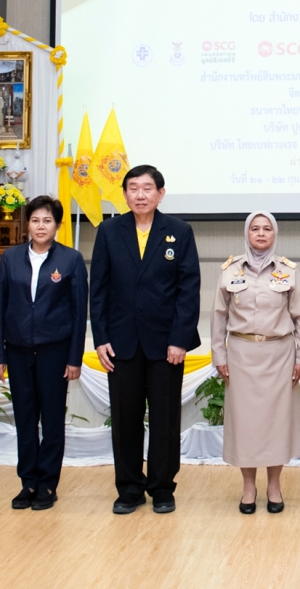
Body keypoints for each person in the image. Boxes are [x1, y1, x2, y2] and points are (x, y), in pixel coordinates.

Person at [89, 165, 202, 515]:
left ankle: (162, 487)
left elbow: (188, 290)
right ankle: (129, 488)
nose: (140, 195)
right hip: (120, 343)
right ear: (124, 194)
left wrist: (180, 339)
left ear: (160, 194)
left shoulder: (179, 232)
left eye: (147, 188)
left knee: (166, 417)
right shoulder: (109, 231)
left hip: (166, 343)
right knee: (125, 417)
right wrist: (101, 337)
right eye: (133, 188)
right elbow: (99, 289)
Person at [0, 195, 87, 511]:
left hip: (55, 352)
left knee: (52, 420)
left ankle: (47, 484)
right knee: (25, 419)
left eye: (47, 220)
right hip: (17, 352)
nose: (41, 226)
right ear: (27, 224)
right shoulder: (11, 258)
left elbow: (78, 312)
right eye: (35, 220)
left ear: (57, 225)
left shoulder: (71, 260)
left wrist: (75, 358)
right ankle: (28, 482)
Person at [213, 211, 300, 513]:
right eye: (254, 228)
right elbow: (218, 317)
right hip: (241, 356)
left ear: (275, 233)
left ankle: (273, 485)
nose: (260, 233)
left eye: (266, 229)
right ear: (246, 233)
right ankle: (247, 486)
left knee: (276, 424)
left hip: (279, 355)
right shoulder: (230, 271)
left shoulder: (289, 272)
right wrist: (219, 355)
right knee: (245, 425)